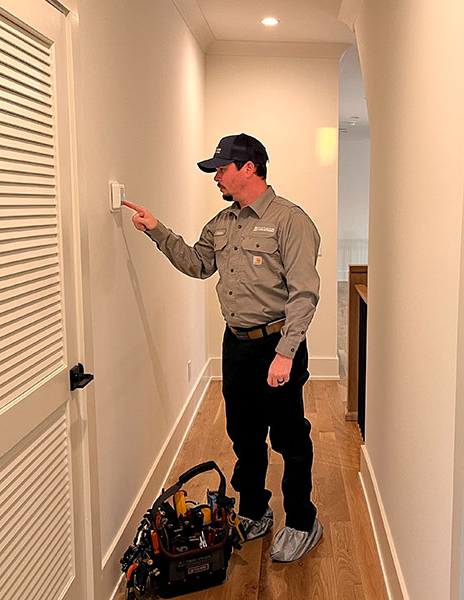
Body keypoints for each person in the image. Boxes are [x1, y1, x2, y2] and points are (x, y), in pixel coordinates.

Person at [123, 133, 323, 563]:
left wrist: (286, 353)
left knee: (289, 437)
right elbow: (198, 264)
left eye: (222, 168)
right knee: (244, 436)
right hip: (236, 346)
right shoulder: (221, 223)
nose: (216, 177)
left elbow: (304, 293)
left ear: (249, 168)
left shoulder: (291, 221)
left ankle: (303, 521)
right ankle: (254, 510)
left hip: (277, 346)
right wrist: (157, 231)